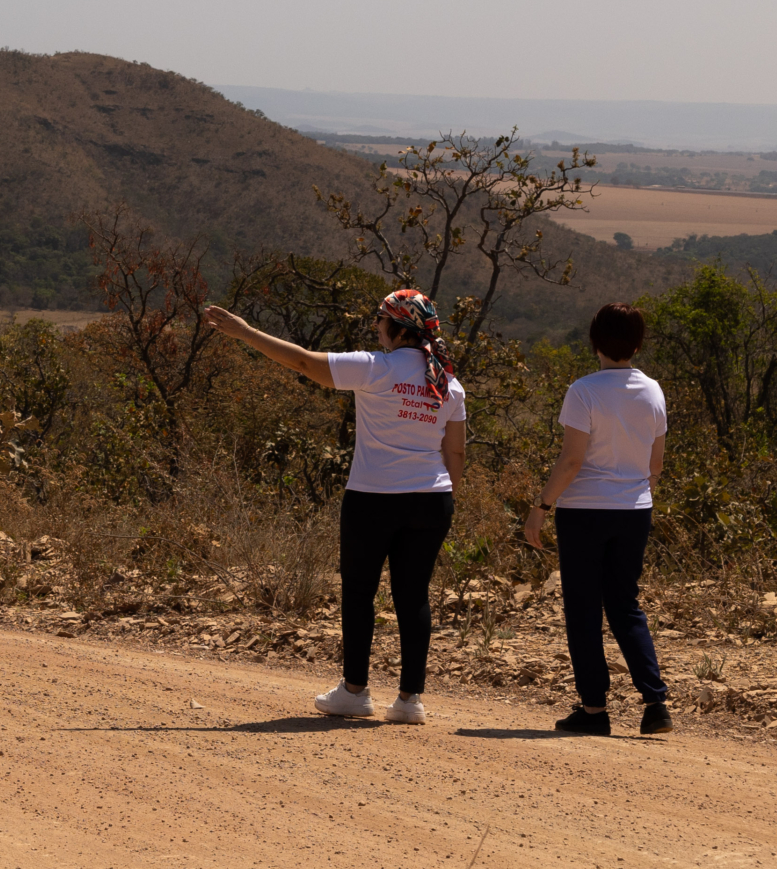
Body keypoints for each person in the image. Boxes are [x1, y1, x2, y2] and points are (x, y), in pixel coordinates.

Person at [203, 289, 466, 725]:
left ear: (397, 328)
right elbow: (454, 453)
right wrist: (441, 494)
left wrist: (246, 332)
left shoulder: (376, 368)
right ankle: (409, 701)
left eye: (380, 321)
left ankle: (355, 692)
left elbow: (306, 363)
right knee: (413, 596)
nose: (376, 328)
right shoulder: (448, 382)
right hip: (432, 499)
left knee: (360, 592)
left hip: (372, 498)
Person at [524, 302, 671, 737]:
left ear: (594, 342)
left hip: (585, 512)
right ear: (638, 344)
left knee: (584, 610)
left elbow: (572, 461)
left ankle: (593, 710)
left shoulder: (583, 391)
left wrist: (541, 506)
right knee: (625, 605)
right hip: (634, 510)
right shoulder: (654, 391)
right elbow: (656, 465)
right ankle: (655, 703)